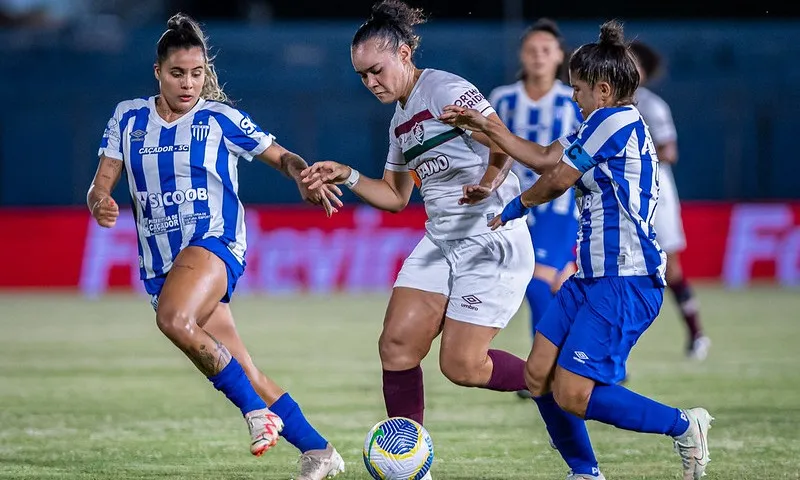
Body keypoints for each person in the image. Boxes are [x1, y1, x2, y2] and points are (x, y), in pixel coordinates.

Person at [441, 20, 713, 480]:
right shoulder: (599, 124)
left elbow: (557, 179)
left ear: (603, 90)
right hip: (589, 278)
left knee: (571, 392)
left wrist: (517, 205)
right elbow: (546, 156)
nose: (573, 97)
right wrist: (483, 124)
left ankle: (685, 425)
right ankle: (584, 472)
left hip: (625, 278)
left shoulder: (614, 120)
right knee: (536, 375)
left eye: (579, 89)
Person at [87, 13, 345, 480]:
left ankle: (254, 415)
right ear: (158, 73)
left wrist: (301, 174)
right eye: (178, 73)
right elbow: (100, 183)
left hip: (214, 242)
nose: (189, 83)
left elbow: (281, 154)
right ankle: (319, 450)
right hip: (161, 262)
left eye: (197, 73)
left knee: (173, 319)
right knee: (243, 367)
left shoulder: (219, 118)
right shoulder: (128, 117)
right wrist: (100, 200)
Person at [301, 2, 534, 477]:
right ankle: (410, 465)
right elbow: (393, 196)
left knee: (463, 366)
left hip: (490, 238)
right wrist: (346, 174)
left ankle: (548, 380)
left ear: (404, 53)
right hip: (441, 242)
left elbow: (503, 143)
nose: (371, 83)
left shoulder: (446, 88)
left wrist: (488, 184)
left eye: (376, 70)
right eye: (362, 76)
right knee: (397, 345)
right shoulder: (399, 120)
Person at [488, 18, 583, 399]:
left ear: (559, 56)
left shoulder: (573, 100)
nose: (539, 56)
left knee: (536, 280)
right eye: (531, 50)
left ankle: (540, 372)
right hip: (514, 204)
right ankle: (588, 363)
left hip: (558, 208)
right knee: (562, 287)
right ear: (521, 56)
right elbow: (490, 146)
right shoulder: (503, 98)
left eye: (546, 50)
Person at [630, 40, 711, 361]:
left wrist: (633, 154)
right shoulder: (604, 106)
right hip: (621, 193)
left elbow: (669, 151)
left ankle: (697, 333)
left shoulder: (651, 105)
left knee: (671, 268)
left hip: (657, 191)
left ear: (644, 72)